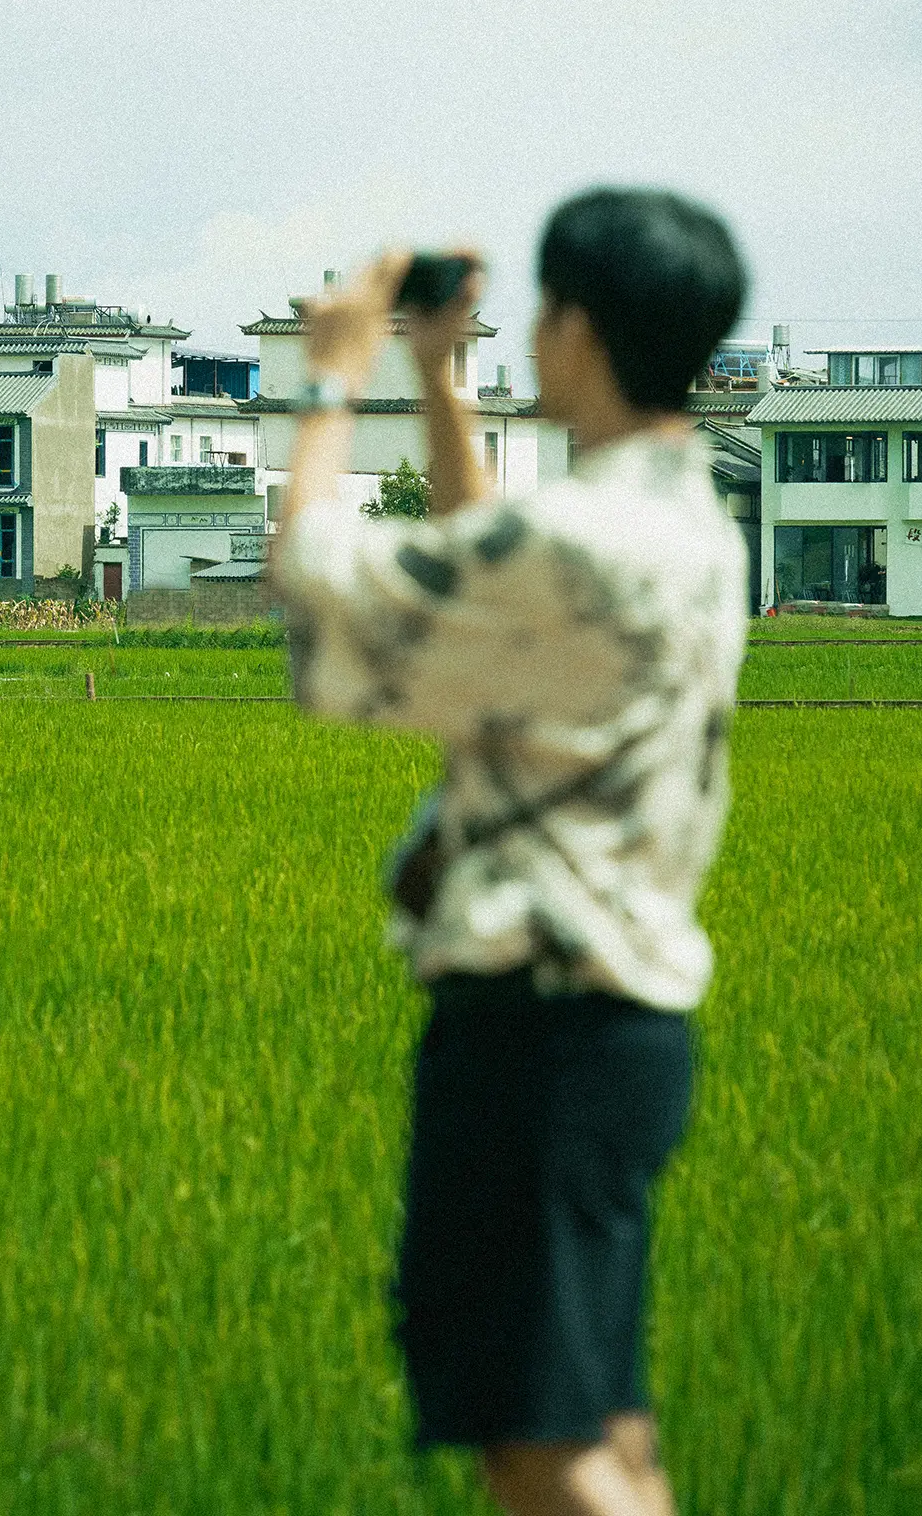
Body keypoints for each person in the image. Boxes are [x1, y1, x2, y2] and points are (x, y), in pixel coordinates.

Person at [270, 187, 750, 1516]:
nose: (535, 336)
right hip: (616, 1037)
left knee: (544, 1448)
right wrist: (438, 377)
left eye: (547, 314)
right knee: (598, 1426)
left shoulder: (583, 539)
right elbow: (489, 564)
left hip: (537, 1043)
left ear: (581, 330)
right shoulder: (684, 529)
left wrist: (332, 380)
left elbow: (320, 580)